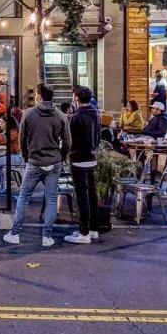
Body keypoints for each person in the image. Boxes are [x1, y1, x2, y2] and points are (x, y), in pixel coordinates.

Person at [3, 83, 71, 248]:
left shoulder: (28, 114)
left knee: (23, 197)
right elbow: (67, 143)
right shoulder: (61, 116)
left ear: (39, 96)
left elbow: (22, 139)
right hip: (54, 161)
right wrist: (60, 157)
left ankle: (15, 233)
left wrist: (27, 157)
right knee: (51, 199)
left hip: (34, 161)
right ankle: (47, 236)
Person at [64, 86, 101, 245]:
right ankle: (93, 229)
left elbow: (69, 140)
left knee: (81, 196)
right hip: (92, 157)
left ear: (76, 98)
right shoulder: (95, 114)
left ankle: (83, 233)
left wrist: (67, 153)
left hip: (78, 158)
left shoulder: (76, 117)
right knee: (92, 194)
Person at [0, 117, 22, 194]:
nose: (1, 124)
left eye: (2, 122)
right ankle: (3, 183)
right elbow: (2, 139)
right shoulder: (12, 131)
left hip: (18, 157)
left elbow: (4, 140)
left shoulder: (14, 131)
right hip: (15, 156)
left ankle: (2, 183)